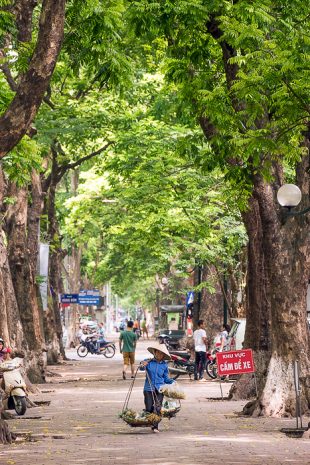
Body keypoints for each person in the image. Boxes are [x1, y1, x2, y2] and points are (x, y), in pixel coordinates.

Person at [141, 342, 174, 433]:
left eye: (161, 353)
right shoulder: (148, 361)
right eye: (158, 352)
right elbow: (141, 368)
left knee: (158, 407)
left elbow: (166, 378)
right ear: (154, 353)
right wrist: (142, 364)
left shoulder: (164, 365)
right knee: (148, 408)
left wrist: (173, 382)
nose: (160, 354)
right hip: (148, 389)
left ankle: (155, 426)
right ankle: (150, 417)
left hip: (160, 388)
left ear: (163, 355)